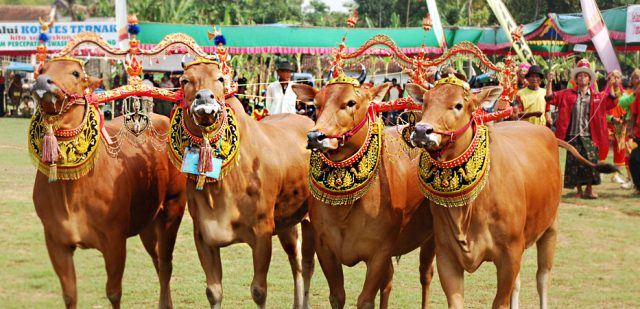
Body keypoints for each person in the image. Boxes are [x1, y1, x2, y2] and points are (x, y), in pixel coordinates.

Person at [546, 59, 619, 199]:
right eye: (579, 75)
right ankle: (579, 190)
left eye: (585, 75)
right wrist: (549, 82)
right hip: (572, 135)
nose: (582, 77)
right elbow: (549, 98)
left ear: (589, 79)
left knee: (591, 162)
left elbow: (612, 102)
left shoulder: (597, 96)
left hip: (590, 136)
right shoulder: (567, 94)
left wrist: (612, 85)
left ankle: (589, 189)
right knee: (575, 164)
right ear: (576, 79)